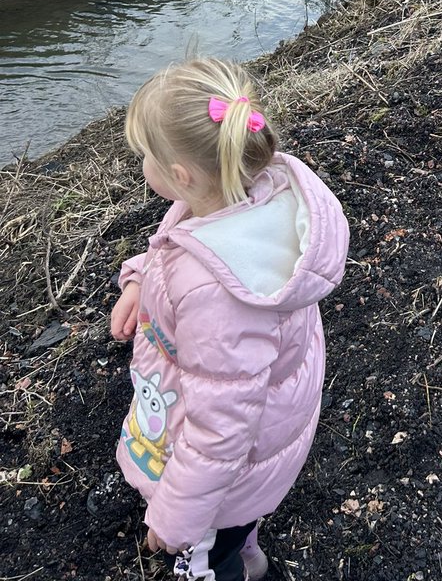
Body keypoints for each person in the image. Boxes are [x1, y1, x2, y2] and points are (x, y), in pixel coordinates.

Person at [110, 58, 350, 581]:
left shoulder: (213, 299)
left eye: (143, 157)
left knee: (207, 553)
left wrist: (175, 520)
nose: (141, 166)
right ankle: (247, 551)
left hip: (225, 474)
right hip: (258, 442)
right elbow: (171, 245)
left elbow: (219, 432)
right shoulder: (246, 191)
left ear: (179, 175)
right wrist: (137, 281)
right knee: (235, 527)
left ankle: (231, 560)